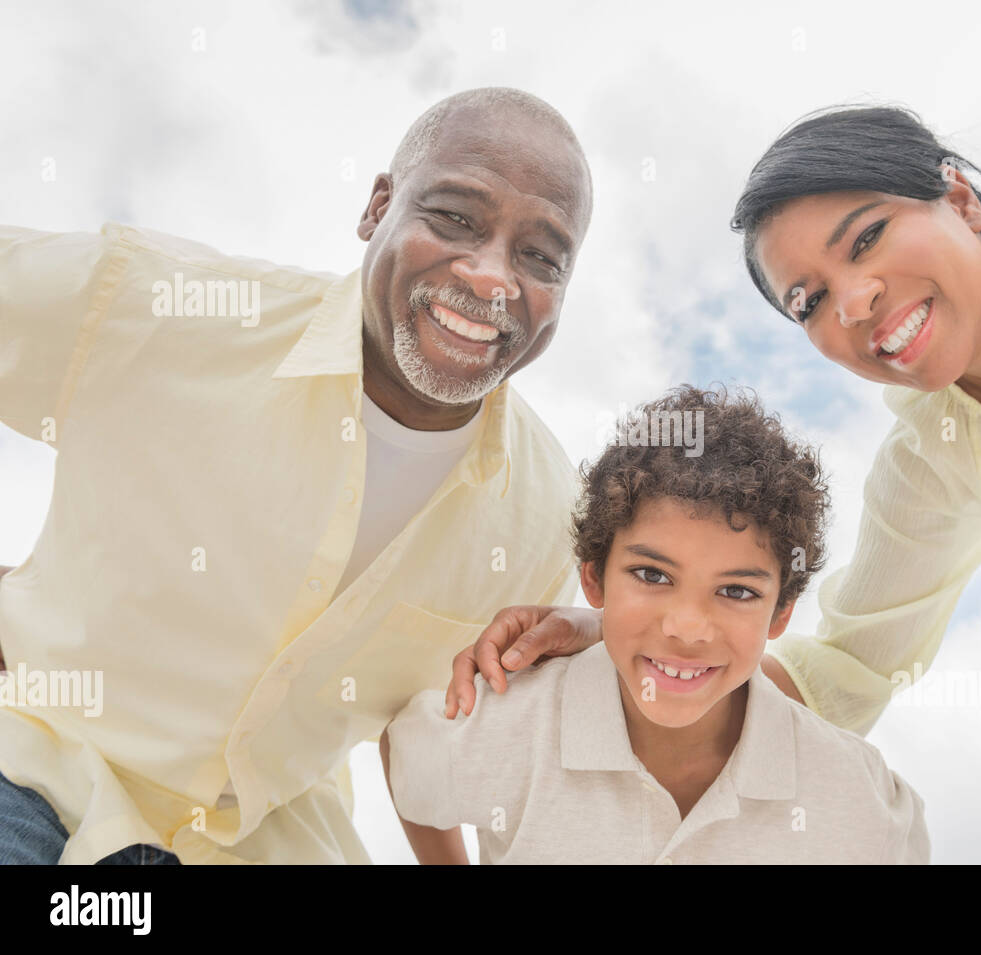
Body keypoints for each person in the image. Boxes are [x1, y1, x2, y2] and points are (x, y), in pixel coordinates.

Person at [444, 106, 981, 749]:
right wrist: (622, 628)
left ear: (959, 198)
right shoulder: (942, 455)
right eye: (808, 302)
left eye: (868, 239)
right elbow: (846, 673)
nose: (854, 304)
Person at [0, 87, 595, 864]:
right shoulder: (158, 307)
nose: (491, 277)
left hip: (265, 840)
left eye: (540, 256)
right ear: (377, 208)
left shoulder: (550, 522)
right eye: (454, 217)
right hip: (35, 764)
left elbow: (453, 732)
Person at [381, 385, 929, 864]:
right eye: (652, 574)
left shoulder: (858, 798)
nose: (689, 627)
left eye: (736, 591)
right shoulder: (506, 728)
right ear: (594, 581)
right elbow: (409, 763)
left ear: (780, 613)